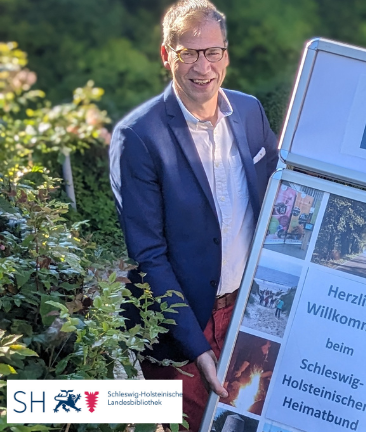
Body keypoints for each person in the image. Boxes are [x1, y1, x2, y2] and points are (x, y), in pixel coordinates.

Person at [108, 0, 279, 430]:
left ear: (227, 54)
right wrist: (197, 347)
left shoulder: (250, 112)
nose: (203, 66)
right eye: (189, 52)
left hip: (246, 310)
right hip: (180, 323)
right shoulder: (138, 137)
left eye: (212, 52)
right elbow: (149, 256)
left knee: (250, 420)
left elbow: (283, 198)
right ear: (167, 55)